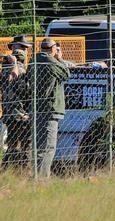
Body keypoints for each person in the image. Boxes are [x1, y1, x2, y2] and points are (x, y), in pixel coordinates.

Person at [27, 38, 70, 178]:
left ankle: (37, 175)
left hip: (36, 108)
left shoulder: (34, 60)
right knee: (48, 147)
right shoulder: (50, 61)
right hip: (49, 108)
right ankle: (41, 179)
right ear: (52, 49)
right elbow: (66, 74)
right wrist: (60, 58)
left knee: (39, 146)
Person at [0, 49, 31, 171]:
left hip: (9, 113)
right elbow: (26, 91)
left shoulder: (4, 72)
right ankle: (24, 168)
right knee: (25, 143)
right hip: (21, 113)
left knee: (12, 142)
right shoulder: (22, 71)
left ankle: (7, 167)